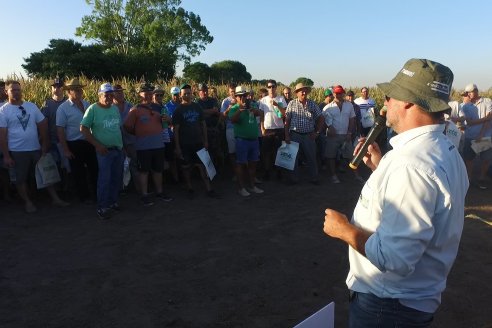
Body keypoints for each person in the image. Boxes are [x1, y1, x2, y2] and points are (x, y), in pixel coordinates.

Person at [323, 58, 469, 327]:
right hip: (407, 300)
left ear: (410, 102)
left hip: (387, 305)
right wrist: (382, 168)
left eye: (390, 95)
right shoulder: (445, 149)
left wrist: (343, 229)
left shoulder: (411, 165)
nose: (385, 102)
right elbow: (429, 200)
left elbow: (395, 258)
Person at [0, 80, 69, 213]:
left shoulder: (31, 106)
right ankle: (28, 202)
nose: (16, 92)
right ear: (6, 91)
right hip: (17, 151)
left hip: (35, 148)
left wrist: (44, 145)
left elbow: (43, 125)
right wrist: (7, 156)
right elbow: (2, 136)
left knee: (45, 174)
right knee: (21, 178)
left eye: (18, 89)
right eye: (13, 90)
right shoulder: (3, 111)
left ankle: (55, 199)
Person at [124, 83, 172, 206]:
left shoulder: (159, 108)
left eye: (151, 93)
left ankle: (159, 192)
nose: (149, 95)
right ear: (140, 94)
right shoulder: (135, 110)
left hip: (158, 145)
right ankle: (144, 195)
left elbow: (169, 123)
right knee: (143, 171)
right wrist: (139, 133)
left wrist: (168, 120)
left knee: (158, 170)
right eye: (146, 93)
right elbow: (127, 126)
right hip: (143, 146)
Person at [80, 83, 123, 219]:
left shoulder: (115, 109)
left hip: (118, 149)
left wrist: (123, 146)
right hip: (104, 151)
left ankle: (112, 202)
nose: (109, 97)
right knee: (104, 179)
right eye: (106, 95)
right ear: (99, 95)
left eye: (111, 94)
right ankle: (102, 207)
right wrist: (97, 145)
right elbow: (83, 128)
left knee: (116, 178)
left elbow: (117, 128)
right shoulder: (92, 109)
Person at [173, 84, 219, 199]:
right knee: (186, 167)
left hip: (198, 141)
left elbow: (203, 124)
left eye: (189, 93)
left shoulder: (197, 107)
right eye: (185, 94)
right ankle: (189, 188)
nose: (187, 95)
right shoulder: (178, 110)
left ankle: (209, 188)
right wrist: (177, 146)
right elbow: (176, 130)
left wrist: (205, 141)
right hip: (185, 143)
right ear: (180, 95)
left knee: (203, 165)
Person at [56, 78, 98, 203]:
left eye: (80, 89)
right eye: (75, 89)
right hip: (74, 144)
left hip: (90, 142)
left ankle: (96, 194)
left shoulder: (87, 104)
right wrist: (66, 150)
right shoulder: (63, 108)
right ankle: (83, 197)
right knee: (78, 172)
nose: (79, 91)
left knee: (94, 169)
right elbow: (60, 130)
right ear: (69, 92)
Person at [284, 83, 324, 184]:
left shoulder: (312, 104)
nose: (304, 92)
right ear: (297, 93)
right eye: (301, 90)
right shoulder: (292, 104)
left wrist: (317, 132)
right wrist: (287, 135)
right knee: (293, 158)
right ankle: (294, 179)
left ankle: (314, 178)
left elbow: (321, 118)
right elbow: (287, 121)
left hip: (308, 135)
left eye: (305, 90)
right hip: (295, 134)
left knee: (311, 157)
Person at [229, 86, 264, 196]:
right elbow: (233, 120)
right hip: (241, 140)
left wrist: (256, 110)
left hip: (254, 140)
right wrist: (240, 110)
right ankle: (241, 188)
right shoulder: (234, 108)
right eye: (241, 96)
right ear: (237, 97)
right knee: (241, 165)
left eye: (245, 95)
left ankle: (252, 186)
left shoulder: (252, 105)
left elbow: (261, 114)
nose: (244, 98)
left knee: (253, 164)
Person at [459, 83, 492, 189]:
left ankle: (481, 178)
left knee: (486, 159)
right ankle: (469, 178)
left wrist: (481, 134)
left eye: (469, 92)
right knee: (469, 158)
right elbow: (469, 123)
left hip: (485, 136)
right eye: (466, 93)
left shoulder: (487, 101)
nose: (468, 95)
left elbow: (489, 118)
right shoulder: (466, 106)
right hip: (470, 136)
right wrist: (485, 119)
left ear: (476, 91)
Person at [322, 85, 356, 184]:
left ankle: (356, 175)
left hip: (346, 135)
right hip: (333, 136)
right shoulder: (327, 107)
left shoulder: (349, 105)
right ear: (333, 94)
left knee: (351, 155)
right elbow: (323, 120)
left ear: (343, 93)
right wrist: (329, 127)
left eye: (340, 93)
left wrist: (350, 133)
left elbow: (352, 119)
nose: (338, 95)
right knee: (331, 156)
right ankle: (333, 175)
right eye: (336, 93)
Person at [113, 84, 139, 192]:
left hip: (131, 141)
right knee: (119, 166)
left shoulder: (130, 106)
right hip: (117, 142)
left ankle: (138, 188)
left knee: (134, 164)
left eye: (121, 92)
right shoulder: (110, 108)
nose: (120, 94)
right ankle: (121, 188)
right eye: (117, 92)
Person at [259, 79, 286, 180]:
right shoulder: (263, 100)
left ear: (276, 87)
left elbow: (284, 114)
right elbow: (261, 115)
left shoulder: (281, 99)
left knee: (278, 152)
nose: (271, 88)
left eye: (273, 86)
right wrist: (262, 128)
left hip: (279, 129)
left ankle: (279, 172)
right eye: (269, 87)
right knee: (266, 153)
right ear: (267, 88)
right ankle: (267, 172)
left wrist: (277, 105)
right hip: (268, 130)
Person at [41, 78, 67, 168]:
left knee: (67, 167)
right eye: (54, 87)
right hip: (52, 141)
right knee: (54, 167)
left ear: (63, 88)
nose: (56, 89)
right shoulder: (47, 103)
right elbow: (44, 123)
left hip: (67, 140)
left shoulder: (68, 102)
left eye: (59, 87)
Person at [197, 83, 222, 170]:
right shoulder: (197, 102)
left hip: (214, 129)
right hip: (203, 131)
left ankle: (217, 170)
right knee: (206, 152)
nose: (204, 92)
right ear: (199, 92)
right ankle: (209, 171)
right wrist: (211, 112)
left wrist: (204, 112)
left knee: (216, 151)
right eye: (202, 91)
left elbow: (216, 111)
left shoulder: (213, 100)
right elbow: (199, 114)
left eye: (205, 90)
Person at [164, 86, 181, 182]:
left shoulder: (183, 105)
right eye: (174, 95)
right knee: (172, 159)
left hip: (182, 135)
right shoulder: (167, 106)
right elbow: (166, 122)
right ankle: (176, 179)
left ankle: (182, 176)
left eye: (177, 95)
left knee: (181, 157)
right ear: (171, 95)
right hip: (171, 136)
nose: (176, 97)